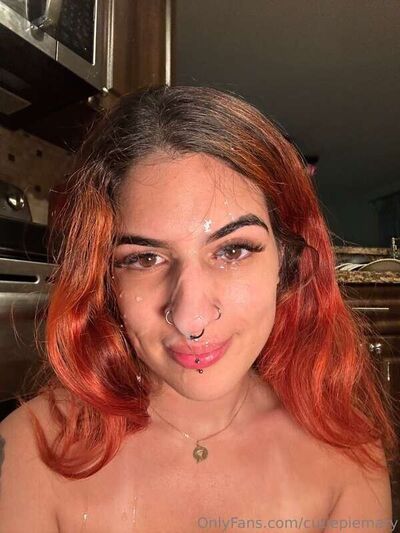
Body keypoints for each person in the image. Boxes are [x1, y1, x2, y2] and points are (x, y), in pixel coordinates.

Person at [0, 85, 398, 533]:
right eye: (144, 259)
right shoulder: (27, 455)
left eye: (233, 250)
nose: (191, 319)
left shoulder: (347, 455)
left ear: (286, 261)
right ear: (106, 280)